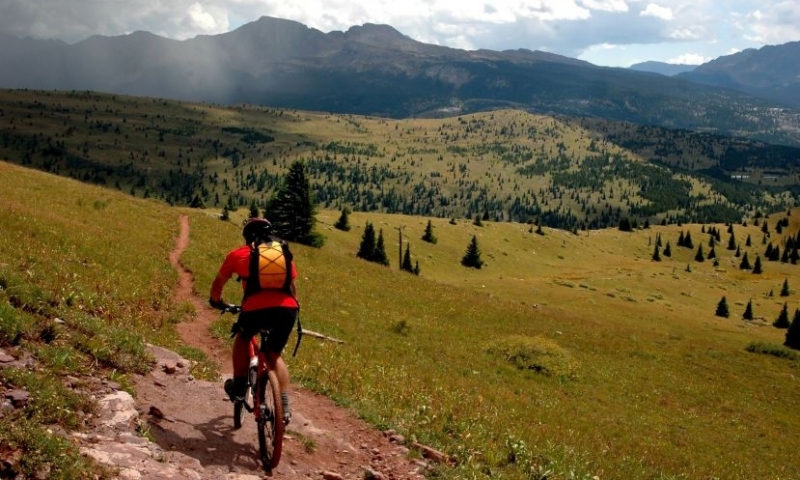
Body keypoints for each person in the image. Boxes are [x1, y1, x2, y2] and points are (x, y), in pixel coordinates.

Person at [209, 217, 299, 424]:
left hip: (255, 309)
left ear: (247, 236)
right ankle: (284, 405)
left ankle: (239, 389)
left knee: (243, 337)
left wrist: (217, 302)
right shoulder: (282, 254)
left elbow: (218, 284)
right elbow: (293, 288)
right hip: (287, 309)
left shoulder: (238, 254)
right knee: (274, 354)